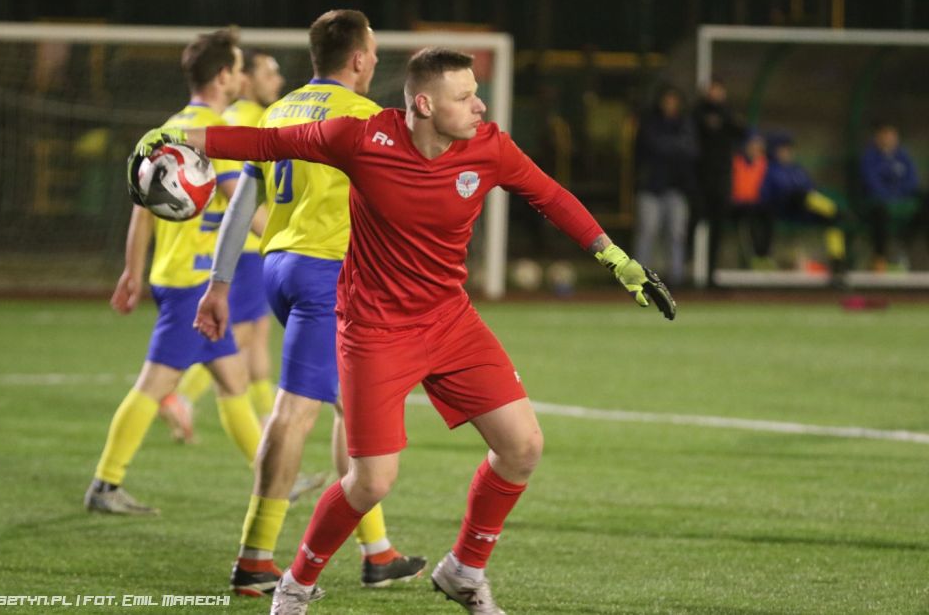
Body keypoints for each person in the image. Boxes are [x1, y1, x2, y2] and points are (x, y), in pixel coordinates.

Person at [137, 46, 676, 614]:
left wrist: (617, 259)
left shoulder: (489, 146)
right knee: (370, 482)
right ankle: (296, 585)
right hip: (374, 330)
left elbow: (551, 196)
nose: (480, 106)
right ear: (424, 104)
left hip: (449, 320)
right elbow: (265, 143)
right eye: (464, 97)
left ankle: (464, 570)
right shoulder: (361, 138)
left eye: (476, 94)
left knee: (522, 447)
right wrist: (181, 138)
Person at [200, 11, 426, 597]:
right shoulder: (366, 117)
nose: (375, 62)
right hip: (328, 274)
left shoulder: (278, 111)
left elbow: (242, 201)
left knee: (353, 407)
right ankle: (255, 557)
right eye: (373, 53)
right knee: (295, 410)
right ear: (359, 58)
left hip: (281, 267)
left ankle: (377, 551)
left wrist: (220, 283)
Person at [84, 29, 263, 515]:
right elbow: (242, 204)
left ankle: (273, 479)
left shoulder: (168, 129)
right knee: (154, 385)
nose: (242, 76)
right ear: (223, 76)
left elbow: (141, 211)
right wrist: (291, 239)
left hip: (174, 274)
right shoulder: (213, 131)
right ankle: (105, 484)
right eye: (238, 67)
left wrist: (132, 271)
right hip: (193, 283)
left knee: (233, 381)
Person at [158, 49, 285, 441]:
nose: (278, 81)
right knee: (238, 335)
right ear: (243, 79)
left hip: (252, 243)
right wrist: (281, 236)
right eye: (268, 73)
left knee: (256, 334)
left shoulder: (248, 115)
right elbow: (238, 193)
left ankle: (266, 418)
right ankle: (182, 396)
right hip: (246, 246)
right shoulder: (244, 119)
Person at [634, 85, 697, 286]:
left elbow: (691, 151)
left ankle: (675, 280)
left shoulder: (685, 123)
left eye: (673, 100)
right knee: (647, 232)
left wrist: (668, 146)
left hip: (676, 188)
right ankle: (640, 279)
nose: (670, 104)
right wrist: (675, 146)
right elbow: (651, 146)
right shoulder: (650, 122)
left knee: (677, 234)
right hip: (650, 187)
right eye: (667, 100)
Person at [761, 133, 847, 274]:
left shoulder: (796, 169)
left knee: (833, 219)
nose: (787, 152)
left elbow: (811, 187)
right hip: (784, 208)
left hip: (803, 209)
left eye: (789, 149)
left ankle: (837, 259)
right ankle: (834, 209)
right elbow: (778, 191)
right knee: (801, 195)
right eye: (783, 149)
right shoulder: (771, 168)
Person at [693, 77, 746, 286]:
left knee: (717, 227)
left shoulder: (728, 113)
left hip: (721, 178)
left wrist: (723, 117)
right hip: (700, 179)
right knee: (694, 222)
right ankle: (687, 269)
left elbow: (741, 130)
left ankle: (711, 273)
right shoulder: (697, 113)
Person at [859, 121, 924, 271]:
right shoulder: (869, 157)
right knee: (879, 212)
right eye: (886, 135)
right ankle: (879, 259)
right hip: (880, 202)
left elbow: (912, 180)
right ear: (878, 137)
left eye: (892, 135)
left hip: (903, 201)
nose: (889, 138)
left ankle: (904, 244)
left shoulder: (903, 155)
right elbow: (872, 183)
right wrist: (891, 196)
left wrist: (900, 195)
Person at [730, 130, 774, 267]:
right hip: (737, 205)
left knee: (767, 216)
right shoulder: (736, 162)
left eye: (758, 146)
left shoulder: (764, 163)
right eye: (753, 145)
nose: (756, 149)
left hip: (757, 204)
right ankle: (749, 259)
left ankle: (762, 255)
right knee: (749, 221)